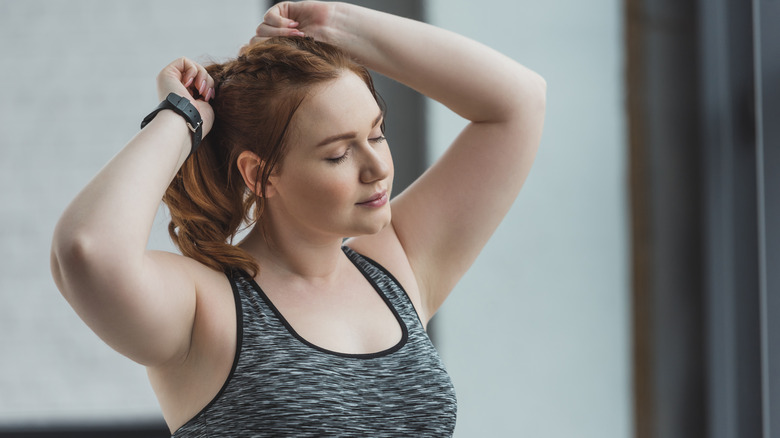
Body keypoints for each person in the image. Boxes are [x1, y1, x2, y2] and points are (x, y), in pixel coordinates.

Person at [50, 1, 546, 436]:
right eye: (337, 155)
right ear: (261, 174)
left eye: (376, 134)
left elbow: (520, 101)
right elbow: (87, 249)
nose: (377, 168)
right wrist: (184, 116)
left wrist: (331, 22)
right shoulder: (207, 306)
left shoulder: (397, 268)